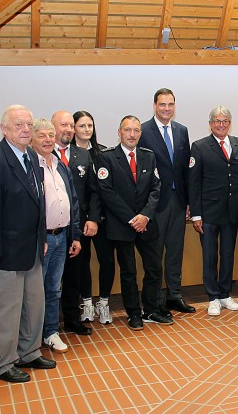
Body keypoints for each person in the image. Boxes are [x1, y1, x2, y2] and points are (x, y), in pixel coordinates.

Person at [0, 105, 55, 384]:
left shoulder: (32, 156)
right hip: (6, 252)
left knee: (34, 305)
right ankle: (3, 362)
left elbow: (39, 202)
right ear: (5, 129)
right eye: (18, 125)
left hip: (32, 247)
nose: (25, 130)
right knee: (5, 310)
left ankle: (29, 351)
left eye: (28, 125)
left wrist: (42, 238)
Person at [96, 116, 169, 330]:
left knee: (154, 269)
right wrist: (131, 218)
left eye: (136, 130)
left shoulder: (148, 156)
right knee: (128, 272)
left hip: (147, 223)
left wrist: (145, 215)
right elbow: (107, 193)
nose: (132, 134)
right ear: (119, 132)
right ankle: (133, 313)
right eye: (128, 130)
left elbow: (156, 188)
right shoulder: (107, 158)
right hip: (122, 225)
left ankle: (151, 310)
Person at [138, 88, 195, 314]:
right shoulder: (143, 130)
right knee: (154, 253)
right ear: (154, 105)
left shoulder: (182, 131)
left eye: (170, 104)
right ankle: (155, 300)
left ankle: (175, 295)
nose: (166, 109)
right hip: (155, 203)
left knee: (175, 250)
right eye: (162, 104)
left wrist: (189, 200)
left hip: (178, 201)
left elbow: (185, 169)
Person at [189, 106, 238, 316]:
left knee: (228, 254)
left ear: (229, 123)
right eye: (217, 121)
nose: (221, 124)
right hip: (208, 213)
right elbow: (193, 183)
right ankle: (212, 296)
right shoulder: (199, 147)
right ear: (211, 123)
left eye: (225, 121)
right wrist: (196, 214)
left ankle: (224, 293)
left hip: (232, 213)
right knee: (210, 256)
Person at [31, 119, 81, 352]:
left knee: (53, 289)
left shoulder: (60, 165)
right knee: (35, 291)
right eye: (42, 135)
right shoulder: (30, 165)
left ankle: (51, 331)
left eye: (51, 135)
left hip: (61, 237)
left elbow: (73, 200)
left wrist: (75, 236)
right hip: (41, 240)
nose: (48, 140)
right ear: (32, 138)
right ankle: (31, 339)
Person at [51, 111, 100, 335]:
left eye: (71, 125)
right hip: (51, 228)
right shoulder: (42, 153)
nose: (68, 129)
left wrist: (92, 218)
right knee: (50, 277)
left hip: (78, 227)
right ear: (53, 127)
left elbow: (93, 191)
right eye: (64, 125)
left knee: (75, 274)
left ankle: (71, 318)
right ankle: (47, 324)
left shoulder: (83, 155)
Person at [72, 110, 116, 325]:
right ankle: (87, 302)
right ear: (73, 129)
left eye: (90, 125)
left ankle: (104, 303)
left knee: (107, 260)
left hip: (102, 219)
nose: (87, 130)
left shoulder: (102, 153)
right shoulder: (67, 154)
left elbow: (103, 189)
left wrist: (96, 217)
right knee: (82, 262)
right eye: (82, 126)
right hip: (80, 220)